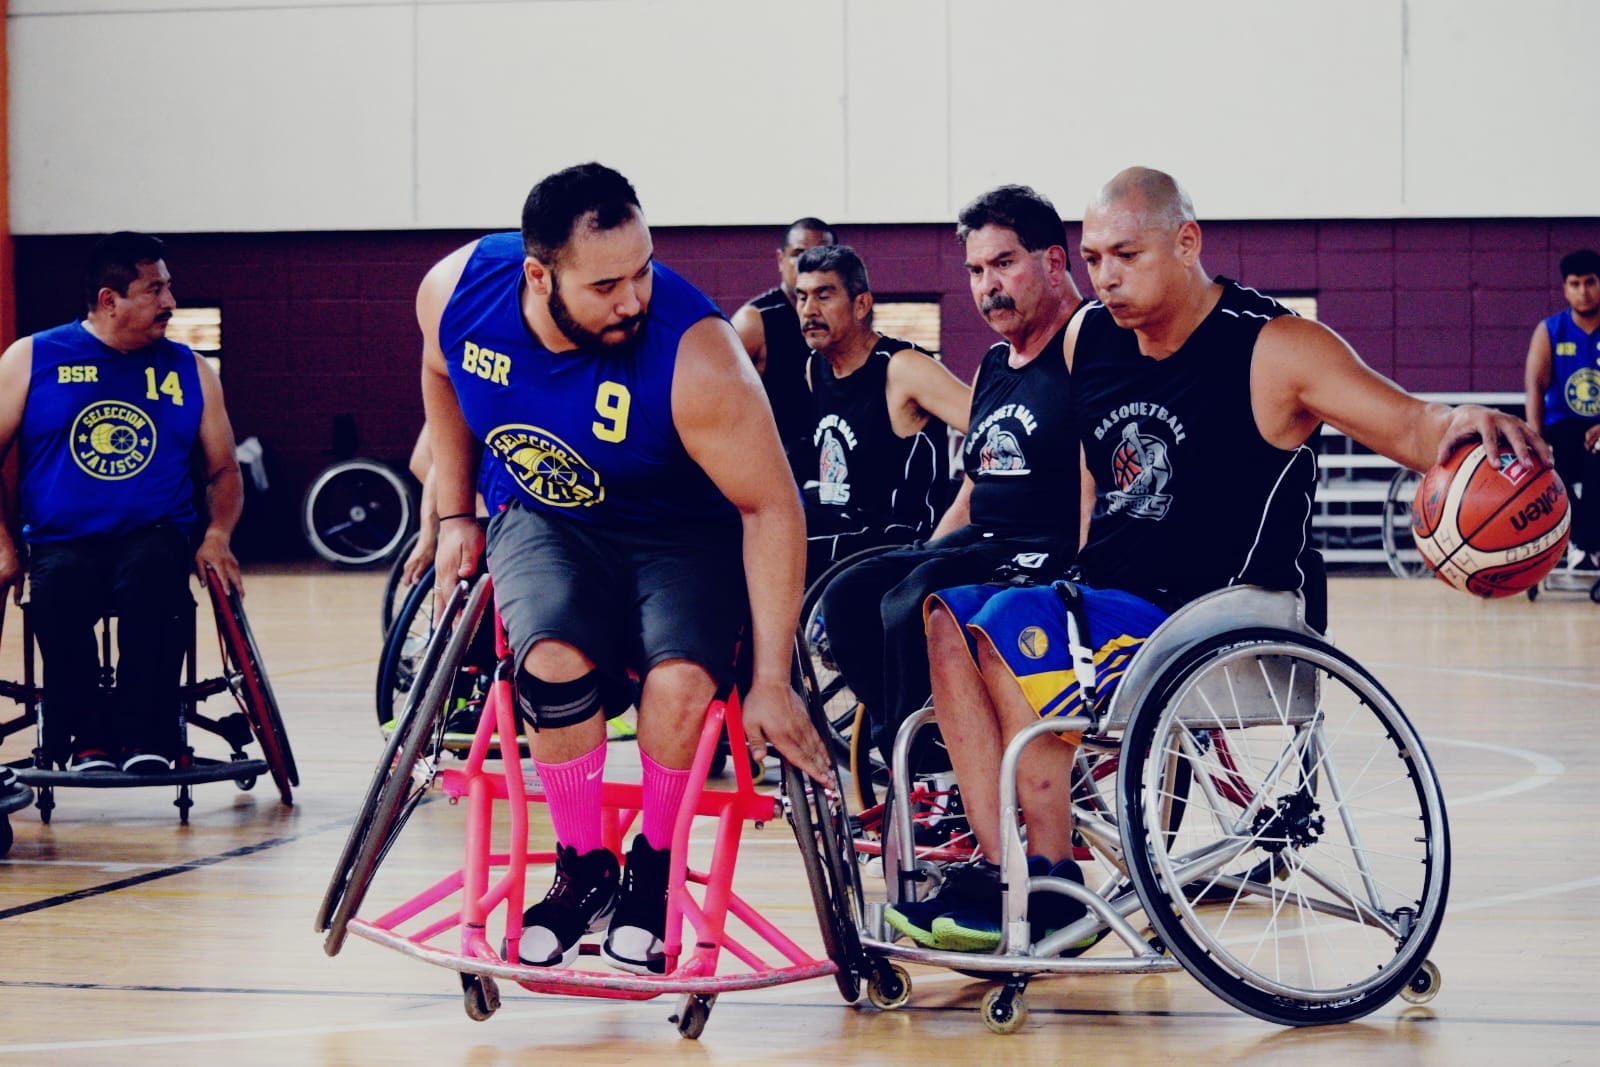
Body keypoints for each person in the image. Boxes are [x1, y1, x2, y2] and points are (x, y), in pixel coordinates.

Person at [884, 165, 1548, 953]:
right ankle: (1009, 878)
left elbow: (1407, 426)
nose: (1107, 276)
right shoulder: (1088, 336)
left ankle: (1053, 876)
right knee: (943, 616)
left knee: (1001, 624)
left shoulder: (1273, 346)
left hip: (1217, 610)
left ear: (1186, 241)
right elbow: (1098, 468)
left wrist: (1459, 419)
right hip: (1107, 597)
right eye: (1094, 258)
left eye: (1126, 254)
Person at [419, 162, 832, 975]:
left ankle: (650, 863)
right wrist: (455, 512)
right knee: (550, 662)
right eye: (607, 284)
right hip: (548, 515)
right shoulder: (455, 291)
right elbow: (440, 371)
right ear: (540, 276)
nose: (633, 298)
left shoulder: (698, 354)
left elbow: (773, 506)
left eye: (643, 270)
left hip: (677, 533)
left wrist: (773, 679)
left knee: (681, 682)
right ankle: (581, 866)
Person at [816, 185, 1087, 769]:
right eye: (976, 269)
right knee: (848, 595)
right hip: (984, 540)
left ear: (1055, 263)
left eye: (1004, 264)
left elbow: (1101, 463)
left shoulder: (1085, 345)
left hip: (1048, 547)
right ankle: (922, 749)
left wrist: (1094, 569)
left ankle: (935, 759)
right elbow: (976, 478)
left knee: (912, 599)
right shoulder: (995, 362)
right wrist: (927, 548)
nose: (987, 285)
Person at [0, 232, 246, 775]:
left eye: (169, 288)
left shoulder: (191, 370)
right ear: (110, 300)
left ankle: (147, 733)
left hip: (153, 533)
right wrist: (3, 545)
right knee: (57, 590)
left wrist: (217, 534)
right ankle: (85, 736)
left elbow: (224, 469)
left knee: (155, 575)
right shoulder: (32, 357)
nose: (170, 303)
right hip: (60, 539)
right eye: (155, 289)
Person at [793, 244, 972, 582]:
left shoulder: (902, 367)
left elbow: (993, 431)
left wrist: (959, 514)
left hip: (896, 540)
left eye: (823, 296)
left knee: (778, 551)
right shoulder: (815, 368)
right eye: (801, 297)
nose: (809, 310)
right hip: (839, 527)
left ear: (861, 304)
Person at [731, 217, 836, 485]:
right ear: (781, 259)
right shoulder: (754, 321)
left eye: (821, 255)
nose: (810, 263)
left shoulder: (843, 318)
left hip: (832, 470)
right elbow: (714, 402)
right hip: (775, 477)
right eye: (799, 254)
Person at [1524, 248, 1600, 570]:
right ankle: (1585, 543)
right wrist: (1536, 438)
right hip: (1564, 426)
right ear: (1565, 289)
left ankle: (1584, 545)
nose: (1583, 291)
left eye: (1590, 282)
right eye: (1575, 284)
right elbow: (1535, 388)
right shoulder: (1550, 330)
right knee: (1549, 464)